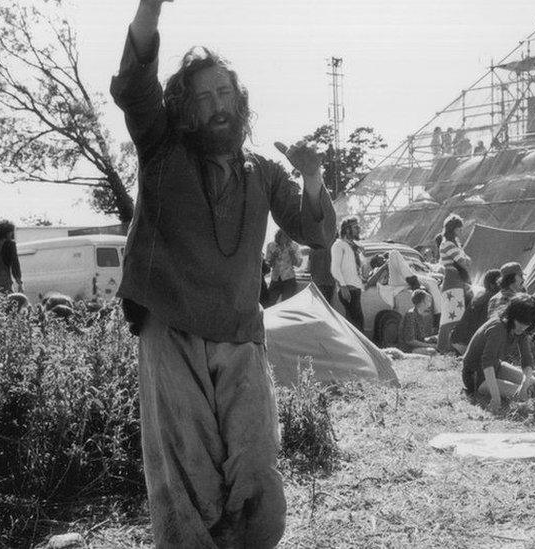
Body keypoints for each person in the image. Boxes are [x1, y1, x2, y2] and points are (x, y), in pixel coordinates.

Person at [110, 1, 337, 546]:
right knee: (188, 472)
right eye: (204, 96)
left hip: (239, 332)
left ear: (241, 103)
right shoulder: (162, 146)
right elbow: (137, 77)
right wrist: (152, 5)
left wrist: (311, 178)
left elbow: (317, 231)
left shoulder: (262, 171)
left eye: (225, 94)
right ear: (185, 107)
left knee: (256, 461)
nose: (217, 105)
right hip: (171, 326)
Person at [461, 294, 535, 413]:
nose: (523, 327)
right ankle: (480, 391)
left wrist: (524, 384)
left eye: (527, 324)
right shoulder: (498, 328)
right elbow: (487, 363)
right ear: (512, 315)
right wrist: (495, 398)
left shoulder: (521, 331)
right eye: (520, 322)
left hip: (496, 367)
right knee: (524, 395)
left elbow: (527, 359)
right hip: (476, 376)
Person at [437, 214, 472, 353]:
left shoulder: (454, 245)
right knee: (450, 318)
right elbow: (464, 262)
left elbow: (466, 262)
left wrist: (464, 261)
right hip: (452, 282)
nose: (461, 232)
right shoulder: (448, 244)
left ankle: (450, 347)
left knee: (457, 316)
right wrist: (464, 261)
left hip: (457, 281)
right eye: (459, 229)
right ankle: (443, 348)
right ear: (454, 229)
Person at [450, 269, 500, 355]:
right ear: (492, 285)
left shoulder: (481, 294)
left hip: (456, 341)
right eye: (501, 282)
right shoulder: (492, 299)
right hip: (466, 346)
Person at [331, 217, 365, 330]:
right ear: (347, 230)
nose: (358, 229)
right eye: (355, 227)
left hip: (355, 289)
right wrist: (343, 287)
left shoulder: (353, 246)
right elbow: (335, 268)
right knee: (357, 324)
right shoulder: (339, 245)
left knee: (354, 323)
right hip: (348, 289)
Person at [264, 229, 303, 305]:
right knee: (269, 303)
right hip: (275, 279)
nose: (284, 239)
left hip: (289, 280)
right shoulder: (271, 245)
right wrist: (273, 257)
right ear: (278, 236)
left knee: (287, 304)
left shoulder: (294, 246)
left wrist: (292, 255)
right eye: (282, 236)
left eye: (286, 236)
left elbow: (298, 264)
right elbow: (268, 265)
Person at [400, 290, 437, 355]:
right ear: (422, 302)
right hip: (408, 349)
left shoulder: (420, 314)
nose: (430, 301)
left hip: (416, 346)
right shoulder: (411, 315)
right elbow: (410, 341)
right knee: (432, 351)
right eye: (428, 299)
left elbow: (420, 338)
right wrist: (430, 345)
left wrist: (433, 338)